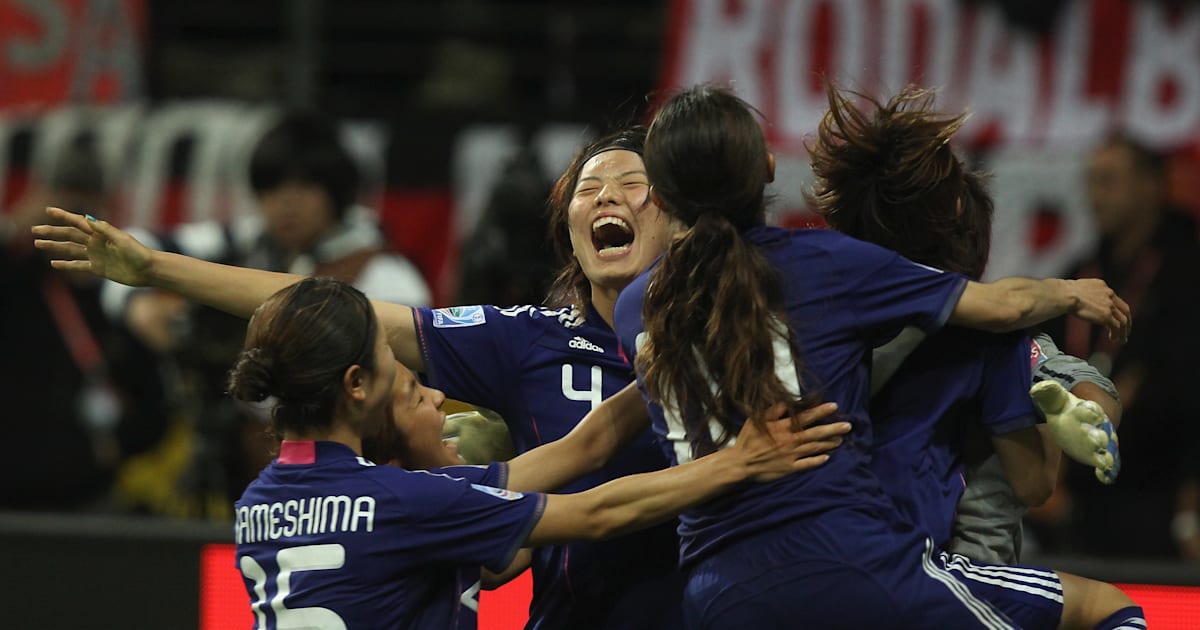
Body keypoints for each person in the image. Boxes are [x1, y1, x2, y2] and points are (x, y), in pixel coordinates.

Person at [32, 127, 697, 629]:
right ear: (569, 227)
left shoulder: (734, 330)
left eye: (633, 184)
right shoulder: (525, 339)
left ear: (681, 217)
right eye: (588, 188)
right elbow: (324, 308)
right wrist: (157, 270)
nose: (607, 195)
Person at [611, 84, 1132, 628]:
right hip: (871, 568)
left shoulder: (636, 313)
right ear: (768, 167)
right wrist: (1074, 293)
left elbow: (607, 438)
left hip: (715, 592)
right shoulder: (838, 272)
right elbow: (1036, 459)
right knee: (1105, 608)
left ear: (661, 198)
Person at [228, 275, 836, 629]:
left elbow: (584, 447)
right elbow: (597, 514)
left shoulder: (256, 503)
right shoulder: (409, 502)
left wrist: (655, 372)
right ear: (357, 384)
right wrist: (740, 460)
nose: (411, 367)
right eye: (392, 358)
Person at [806, 84, 1141, 629]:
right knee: (1112, 610)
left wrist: (1088, 414)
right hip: (948, 574)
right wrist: (1075, 421)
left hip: (812, 564)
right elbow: (1037, 481)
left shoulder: (823, 318)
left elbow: (1087, 392)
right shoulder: (996, 332)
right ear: (963, 220)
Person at [1040, 134, 1200, 560]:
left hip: (1162, 498)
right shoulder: (1081, 275)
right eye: (1091, 181)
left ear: (1151, 186)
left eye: (1109, 181)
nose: (1095, 196)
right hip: (1086, 504)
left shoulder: (1186, 270)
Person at [0, 135, 168, 510]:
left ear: (108, 209)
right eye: (65, 200)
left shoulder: (123, 295)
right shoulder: (16, 283)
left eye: (88, 202)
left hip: (87, 492)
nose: (75, 215)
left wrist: (115, 446)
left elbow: (156, 407)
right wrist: (13, 227)